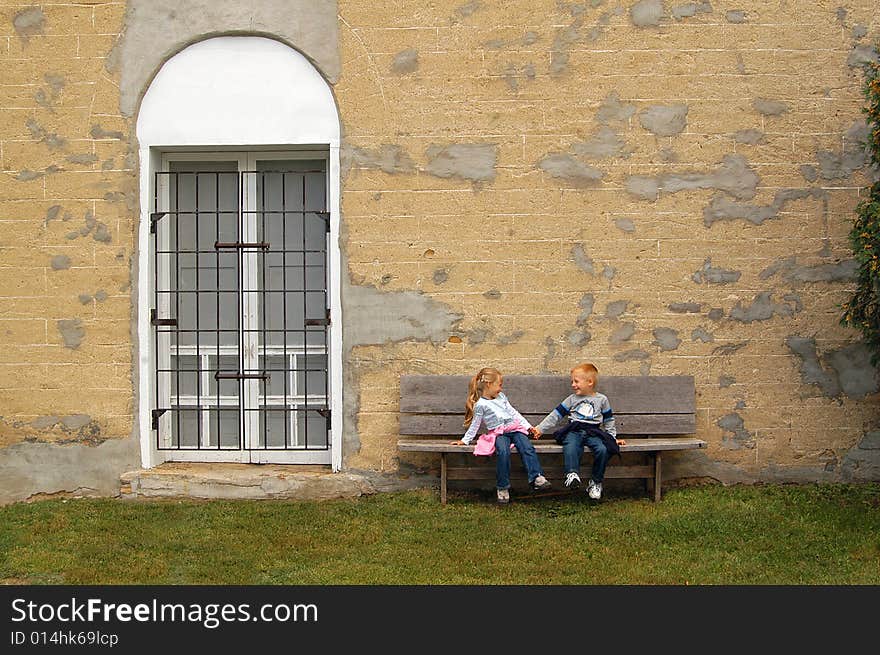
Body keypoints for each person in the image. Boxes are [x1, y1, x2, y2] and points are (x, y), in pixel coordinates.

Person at [452, 367, 551, 504]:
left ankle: (536, 477)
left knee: (527, 447)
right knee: (503, 452)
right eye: (499, 385)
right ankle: (503, 487)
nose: (501, 388)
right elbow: (475, 424)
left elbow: (514, 412)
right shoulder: (481, 405)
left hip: (515, 429)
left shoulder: (502, 397)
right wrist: (465, 440)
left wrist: (528, 427)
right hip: (500, 433)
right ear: (488, 384)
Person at [530, 362, 625, 500]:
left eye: (576, 381)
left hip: (594, 432)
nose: (573, 385)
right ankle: (572, 474)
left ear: (590, 382)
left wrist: (611, 438)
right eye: (572, 381)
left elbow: (609, 420)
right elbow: (555, 415)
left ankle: (595, 482)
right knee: (571, 445)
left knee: (603, 449)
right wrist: (539, 428)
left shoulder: (602, 399)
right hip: (574, 430)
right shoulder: (572, 399)